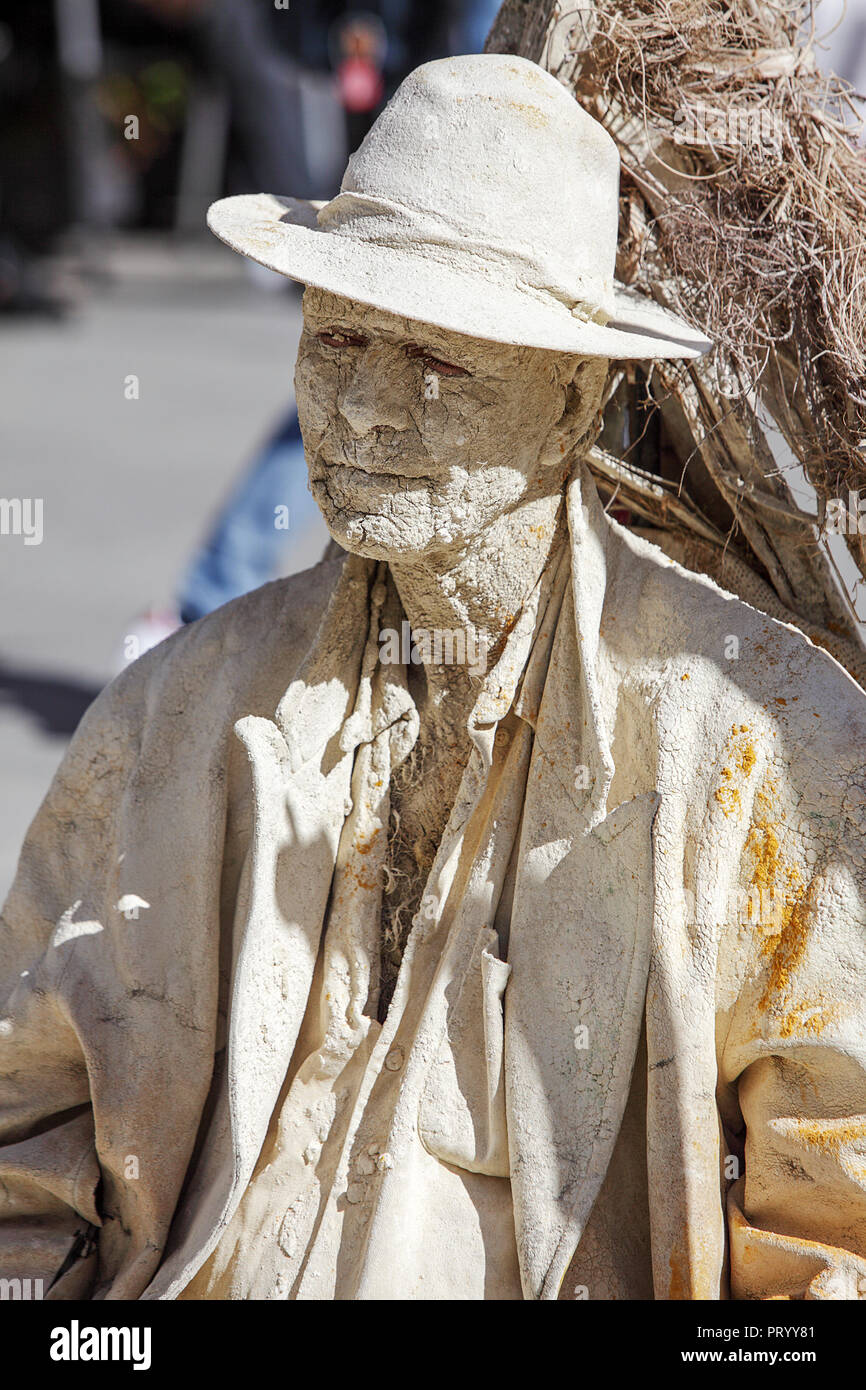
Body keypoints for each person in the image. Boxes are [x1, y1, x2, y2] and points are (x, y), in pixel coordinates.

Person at [3, 54, 866, 1302]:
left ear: (573, 402)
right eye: (337, 338)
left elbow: (833, 1215)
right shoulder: (183, 709)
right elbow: (26, 1113)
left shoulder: (751, 740)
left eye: (436, 369)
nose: (358, 411)